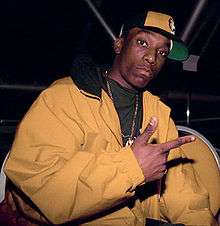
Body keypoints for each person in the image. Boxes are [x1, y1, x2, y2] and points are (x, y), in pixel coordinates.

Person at [1, 10, 219, 226]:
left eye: (162, 52)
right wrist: (132, 168)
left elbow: (184, 197)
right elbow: (38, 192)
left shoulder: (158, 114)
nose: (152, 58)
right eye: (142, 42)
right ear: (119, 45)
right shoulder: (63, 98)